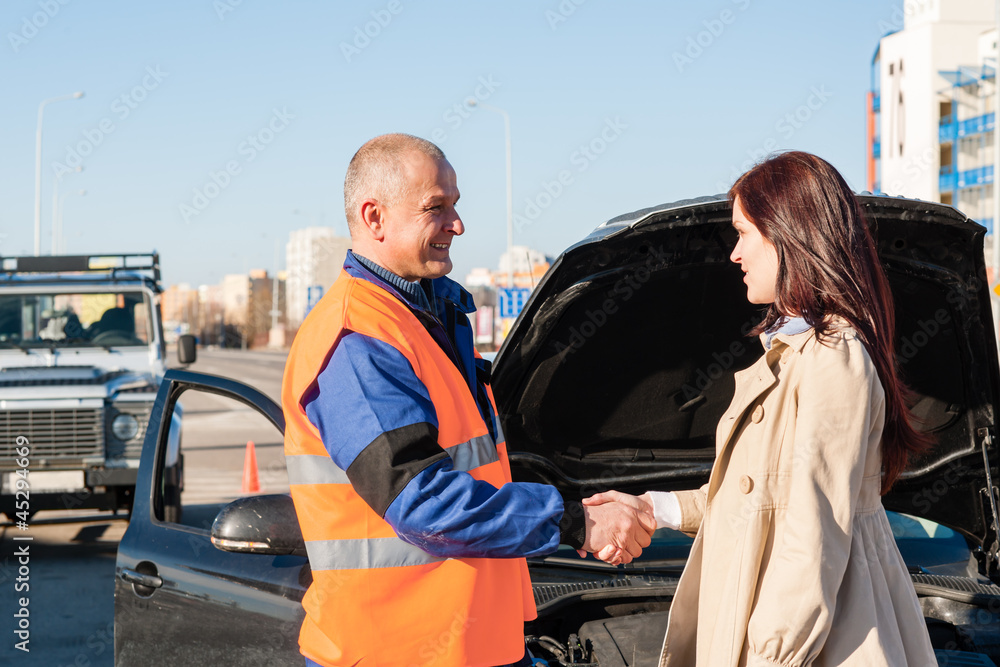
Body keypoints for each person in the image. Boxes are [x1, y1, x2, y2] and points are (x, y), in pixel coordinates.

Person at [281, 133, 655, 667]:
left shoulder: (428, 322)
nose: (457, 225)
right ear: (374, 217)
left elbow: (486, 464)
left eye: (456, 206)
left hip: (476, 646)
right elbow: (425, 503)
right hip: (393, 652)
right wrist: (576, 521)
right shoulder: (354, 340)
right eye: (437, 208)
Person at [585, 151, 937, 666]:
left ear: (789, 234)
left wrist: (772, 654)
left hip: (820, 642)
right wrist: (648, 509)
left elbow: (815, 533)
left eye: (744, 233)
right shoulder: (799, 353)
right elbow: (756, 496)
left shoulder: (831, 358)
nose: (734, 254)